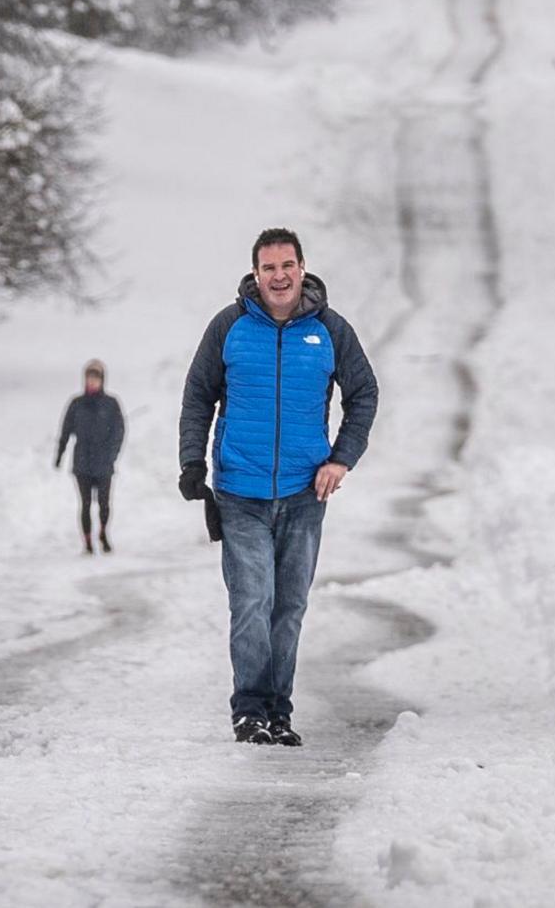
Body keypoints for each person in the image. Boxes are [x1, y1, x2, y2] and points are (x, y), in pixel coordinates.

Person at [178, 227, 378, 746]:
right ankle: (249, 709)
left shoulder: (331, 331)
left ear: (303, 267)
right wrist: (192, 463)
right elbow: (198, 395)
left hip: (303, 493)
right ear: (256, 274)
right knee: (252, 599)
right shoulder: (230, 327)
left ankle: (278, 711)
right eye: (269, 268)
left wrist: (342, 460)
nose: (280, 276)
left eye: (287, 265)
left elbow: (365, 394)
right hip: (240, 491)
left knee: (289, 605)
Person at [54, 359, 125, 553]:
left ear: (102, 380)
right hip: (82, 461)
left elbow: (119, 431)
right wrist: (59, 454)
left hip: (104, 461)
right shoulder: (77, 404)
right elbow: (65, 430)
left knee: (104, 503)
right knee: (85, 504)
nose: (92, 382)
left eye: (96, 378)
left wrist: (113, 453)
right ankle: (87, 542)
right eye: (89, 378)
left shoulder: (111, 404)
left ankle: (103, 532)